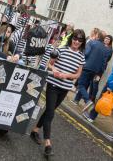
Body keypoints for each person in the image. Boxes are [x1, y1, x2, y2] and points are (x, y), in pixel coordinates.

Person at [30, 29, 86, 157]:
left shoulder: (81, 56)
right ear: (71, 38)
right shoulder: (61, 50)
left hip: (65, 88)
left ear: (82, 42)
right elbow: (50, 64)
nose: (76, 41)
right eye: (75, 38)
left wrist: (66, 75)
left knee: (49, 110)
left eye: (80, 40)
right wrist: (54, 70)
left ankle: (35, 130)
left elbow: (78, 74)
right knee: (50, 113)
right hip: (53, 85)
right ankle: (48, 144)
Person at [72, 31, 107, 111]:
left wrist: (79, 63)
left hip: (86, 67)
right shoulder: (105, 49)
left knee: (80, 84)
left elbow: (85, 53)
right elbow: (104, 63)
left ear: (97, 36)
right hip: (95, 70)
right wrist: (99, 73)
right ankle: (76, 100)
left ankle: (87, 100)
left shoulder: (92, 42)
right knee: (84, 85)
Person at [89, 34, 113, 101]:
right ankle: (89, 96)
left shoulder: (109, 50)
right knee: (91, 82)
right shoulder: (100, 45)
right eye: (106, 38)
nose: (106, 40)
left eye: (108, 39)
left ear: (110, 41)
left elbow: (106, 59)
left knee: (95, 82)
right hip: (94, 66)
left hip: (100, 69)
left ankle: (93, 98)